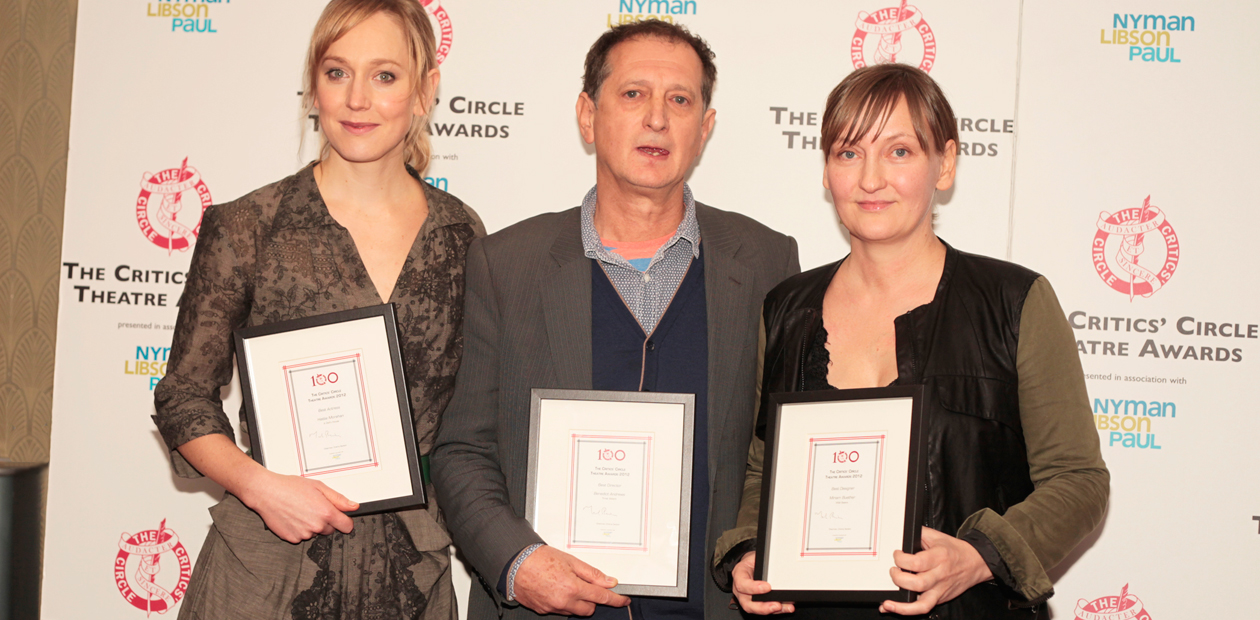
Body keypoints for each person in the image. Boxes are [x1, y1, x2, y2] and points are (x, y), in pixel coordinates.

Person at [431, 20, 799, 620]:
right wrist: (517, 562)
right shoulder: (507, 264)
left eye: (680, 99)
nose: (657, 117)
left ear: (704, 127)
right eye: (633, 94)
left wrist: (757, 549)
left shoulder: (766, 261)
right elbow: (462, 449)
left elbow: (778, 454)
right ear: (587, 114)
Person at [712, 63, 1109, 619]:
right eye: (849, 153)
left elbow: (1078, 480)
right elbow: (762, 469)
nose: (870, 178)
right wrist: (751, 550)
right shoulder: (783, 309)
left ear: (944, 164)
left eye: (899, 152)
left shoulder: (1015, 302)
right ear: (827, 171)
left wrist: (979, 556)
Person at [151, 1, 484, 617]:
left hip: (409, 572)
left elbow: (472, 418)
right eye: (337, 72)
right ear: (313, 87)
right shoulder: (248, 225)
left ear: (424, 90)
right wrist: (260, 486)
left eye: (385, 75)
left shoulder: (462, 236)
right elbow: (182, 396)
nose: (357, 98)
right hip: (268, 565)